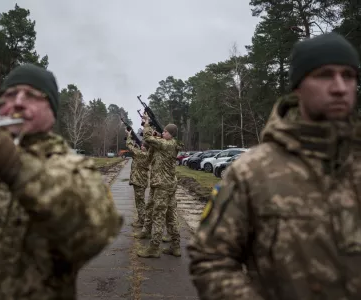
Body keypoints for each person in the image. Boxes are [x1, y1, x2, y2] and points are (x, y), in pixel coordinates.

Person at [187, 32, 361, 299]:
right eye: (325, 75)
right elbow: (211, 259)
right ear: (297, 87)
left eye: (348, 76)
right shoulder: (253, 172)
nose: (339, 87)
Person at [0, 64, 123, 300]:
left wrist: (16, 167)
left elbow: (94, 234)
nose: (17, 102)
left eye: (31, 95)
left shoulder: (74, 166)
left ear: (51, 111)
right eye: (9, 94)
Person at [136, 113, 182, 258]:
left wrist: (147, 124)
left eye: (165, 131)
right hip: (168, 185)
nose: (163, 133)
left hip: (162, 186)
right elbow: (153, 145)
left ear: (171, 134)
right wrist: (156, 134)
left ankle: (154, 248)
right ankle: (176, 246)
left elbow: (147, 138)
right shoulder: (170, 144)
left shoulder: (166, 144)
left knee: (158, 215)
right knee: (171, 216)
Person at [125, 130, 149, 227]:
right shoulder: (145, 154)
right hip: (140, 181)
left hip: (139, 181)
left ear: (146, 148)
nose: (141, 146)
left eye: (143, 146)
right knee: (140, 201)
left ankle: (142, 221)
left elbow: (130, 147)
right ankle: (141, 219)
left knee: (140, 202)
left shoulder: (142, 154)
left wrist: (129, 136)